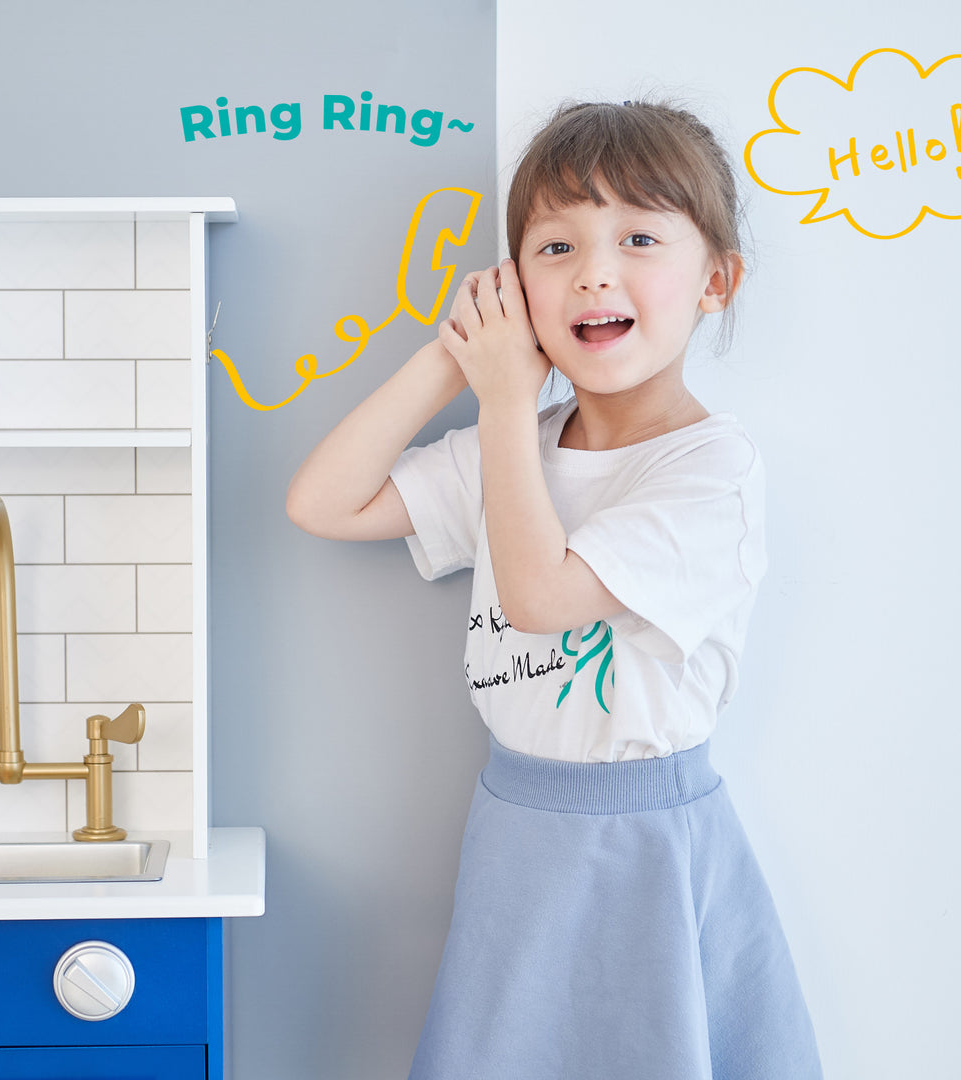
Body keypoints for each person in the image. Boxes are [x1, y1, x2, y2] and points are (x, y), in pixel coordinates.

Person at [287, 99, 822, 1080]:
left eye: (639, 237)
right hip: (516, 829)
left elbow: (541, 597)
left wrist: (500, 399)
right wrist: (455, 354)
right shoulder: (518, 443)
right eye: (555, 247)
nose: (595, 272)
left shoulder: (711, 469)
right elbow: (323, 502)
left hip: (648, 841)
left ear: (718, 280)